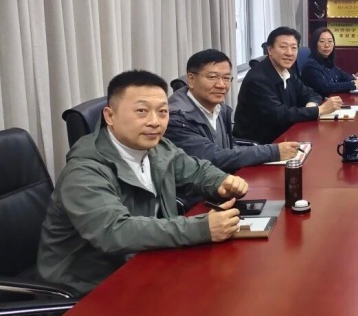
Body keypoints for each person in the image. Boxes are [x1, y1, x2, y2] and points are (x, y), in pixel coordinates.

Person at [38, 70, 248, 295]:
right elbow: (114, 231)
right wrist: (201, 228)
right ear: (110, 116)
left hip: (147, 264)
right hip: (91, 287)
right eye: (141, 111)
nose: (154, 122)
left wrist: (221, 181)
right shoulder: (84, 171)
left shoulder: (158, 147)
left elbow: (196, 171)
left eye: (162, 112)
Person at [166, 49, 304, 172]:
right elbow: (212, 157)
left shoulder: (220, 108)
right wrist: (273, 152)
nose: (221, 85)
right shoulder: (175, 118)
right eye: (212, 77)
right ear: (191, 80)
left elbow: (229, 147)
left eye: (226, 78)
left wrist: (272, 150)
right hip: (200, 190)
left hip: (225, 180)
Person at [234, 26, 342, 144]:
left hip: (285, 136)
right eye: (283, 47)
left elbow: (311, 93)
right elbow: (280, 115)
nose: (289, 53)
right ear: (270, 50)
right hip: (260, 145)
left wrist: (311, 106)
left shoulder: (287, 72)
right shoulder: (258, 79)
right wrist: (319, 110)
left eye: (294, 48)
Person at [300, 27, 358, 97]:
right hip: (319, 102)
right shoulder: (311, 66)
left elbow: (343, 76)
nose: (327, 45)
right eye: (322, 41)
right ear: (315, 44)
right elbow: (326, 87)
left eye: (330, 41)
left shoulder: (327, 62)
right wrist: (353, 85)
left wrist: (354, 80)